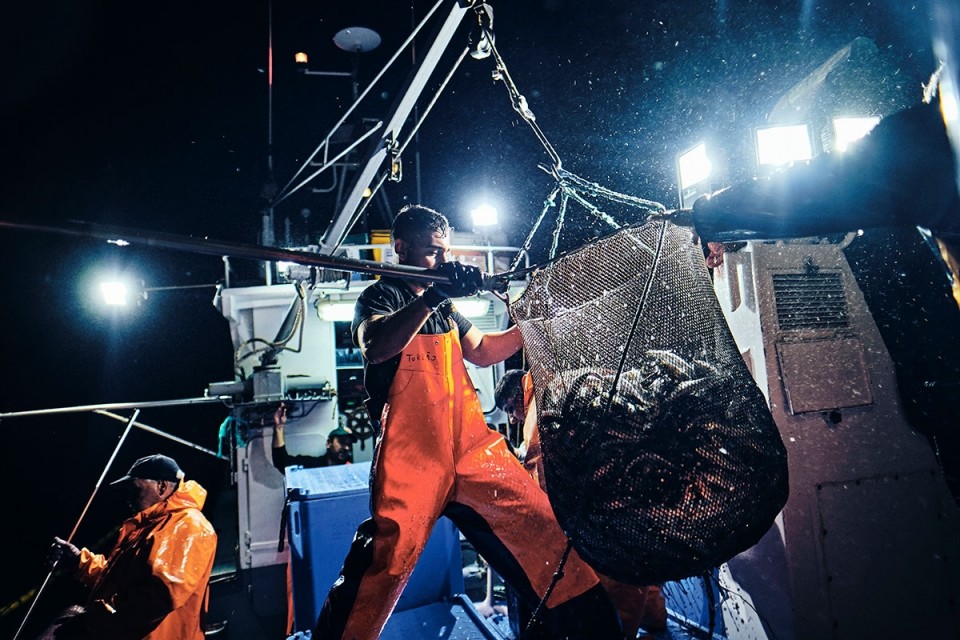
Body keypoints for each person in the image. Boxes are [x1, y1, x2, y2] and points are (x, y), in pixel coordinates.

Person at [313, 204, 623, 639]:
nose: (441, 262)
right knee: (388, 562)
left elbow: (484, 351)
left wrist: (537, 326)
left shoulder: (446, 310)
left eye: (445, 253)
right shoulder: (380, 298)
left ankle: (592, 632)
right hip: (412, 460)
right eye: (431, 253)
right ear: (400, 248)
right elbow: (378, 346)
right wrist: (431, 297)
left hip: (471, 449)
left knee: (544, 533)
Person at [494, 369, 668, 639]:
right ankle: (657, 624)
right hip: (634, 485)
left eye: (509, 409)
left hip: (605, 503)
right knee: (641, 567)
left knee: (615, 579)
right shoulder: (554, 380)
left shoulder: (534, 413)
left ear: (516, 396)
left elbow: (539, 469)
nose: (512, 418)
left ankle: (622, 634)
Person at [41, 454, 217, 640]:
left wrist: (91, 623)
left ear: (162, 486)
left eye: (134, 488)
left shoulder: (187, 524)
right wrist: (79, 561)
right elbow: (121, 582)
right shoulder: (152, 526)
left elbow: (159, 596)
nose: (127, 497)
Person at [270, 402, 357, 473]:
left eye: (349, 444)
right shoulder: (313, 466)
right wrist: (278, 428)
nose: (346, 447)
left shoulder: (351, 471)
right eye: (342, 442)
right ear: (328, 443)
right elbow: (282, 463)